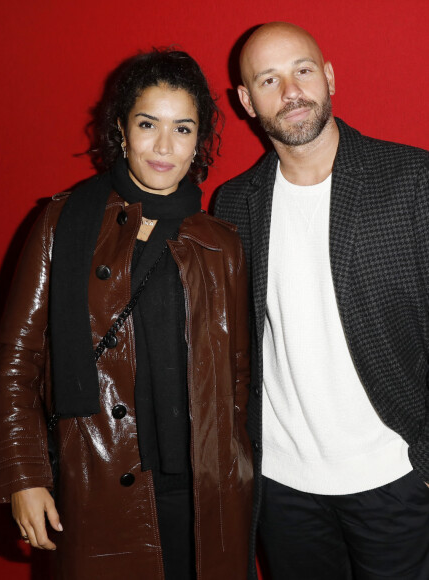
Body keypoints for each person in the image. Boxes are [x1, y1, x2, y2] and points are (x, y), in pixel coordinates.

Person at [0, 48, 253, 580]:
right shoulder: (65, 222)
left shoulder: (222, 242)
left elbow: (239, 374)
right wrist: (23, 474)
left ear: (199, 142)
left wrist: (240, 478)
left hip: (206, 491)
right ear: (123, 131)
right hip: (99, 479)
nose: (163, 146)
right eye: (148, 124)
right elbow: (18, 357)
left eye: (183, 129)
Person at [214, 21, 429, 580]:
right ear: (245, 100)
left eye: (302, 70)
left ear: (329, 76)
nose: (291, 92)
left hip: (396, 476)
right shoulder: (234, 203)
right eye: (268, 79)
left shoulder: (412, 179)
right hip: (284, 489)